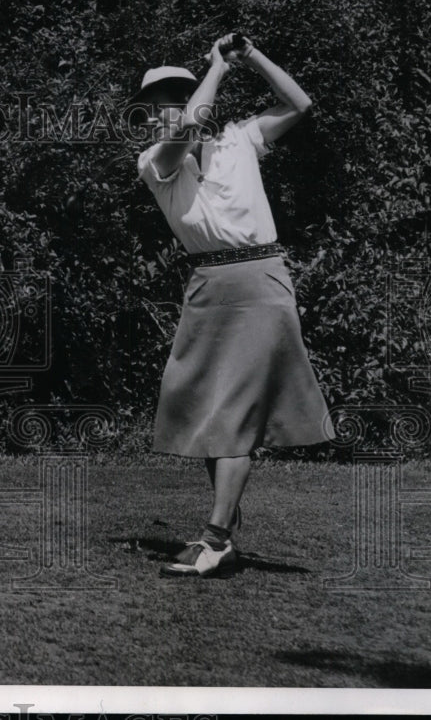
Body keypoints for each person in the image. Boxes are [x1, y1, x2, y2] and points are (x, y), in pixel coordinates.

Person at [135, 34, 329, 577]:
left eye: (174, 99)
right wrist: (217, 68)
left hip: (259, 279)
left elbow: (300, 104)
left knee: (236, 415)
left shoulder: (240, 139)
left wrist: (252, 56)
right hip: (208, 287)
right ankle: (225, 518)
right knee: (205, 412)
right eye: (156, 107)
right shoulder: (155, 160)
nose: (163, 113)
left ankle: (216, 538)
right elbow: (188, 128)